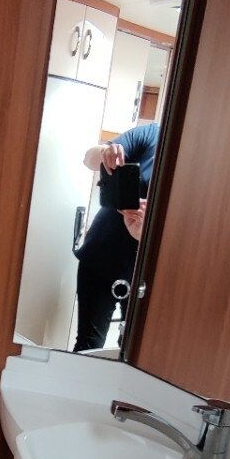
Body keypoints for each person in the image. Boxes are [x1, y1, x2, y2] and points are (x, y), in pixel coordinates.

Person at [73, 121, 159, 351]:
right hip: (102, 254)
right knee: (88, 345)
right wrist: (105, 153)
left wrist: (145, 235)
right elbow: (88, 158)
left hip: (148, 271)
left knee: (134, 350)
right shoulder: (152, 134)